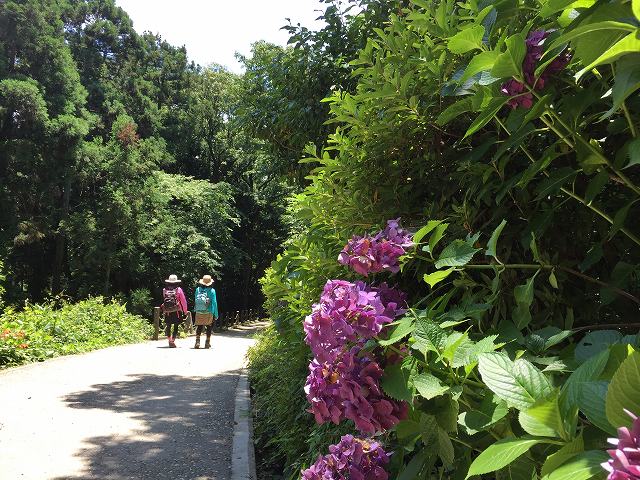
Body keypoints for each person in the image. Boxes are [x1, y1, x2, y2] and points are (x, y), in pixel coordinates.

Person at [161, 274, 188, 348]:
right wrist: (185, 311)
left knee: (168, 326)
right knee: (176, 326)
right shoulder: (178, 289)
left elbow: (164, 299)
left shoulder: (164, 289)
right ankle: (173, 340)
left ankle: (169, 340)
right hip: (176, 311)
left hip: (168, 312)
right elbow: (183, 301)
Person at [193, 274, 218, 349]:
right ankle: (207, 343)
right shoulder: (212, 291)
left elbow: (195, 300)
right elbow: (214, 302)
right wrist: (216, 314)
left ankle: (197, 342)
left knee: (199, 326)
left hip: (199, 310)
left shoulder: (198, 290)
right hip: (209, 311)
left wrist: (195, 309)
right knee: (209, 327)